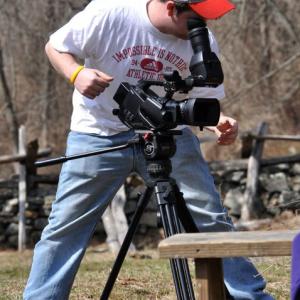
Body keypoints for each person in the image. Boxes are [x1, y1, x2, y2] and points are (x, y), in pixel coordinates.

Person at [24, 0, 274, 299]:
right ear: (171, 8)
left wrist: (218, 121)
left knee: (211, 218)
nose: (205, 26)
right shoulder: (110, 12)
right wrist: (76, 74)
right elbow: (55, 46)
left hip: (170, 135)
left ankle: (250, 296)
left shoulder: (201, 40)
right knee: (65, 226)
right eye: (197, 18)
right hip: (98, 133)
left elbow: (202, 100)